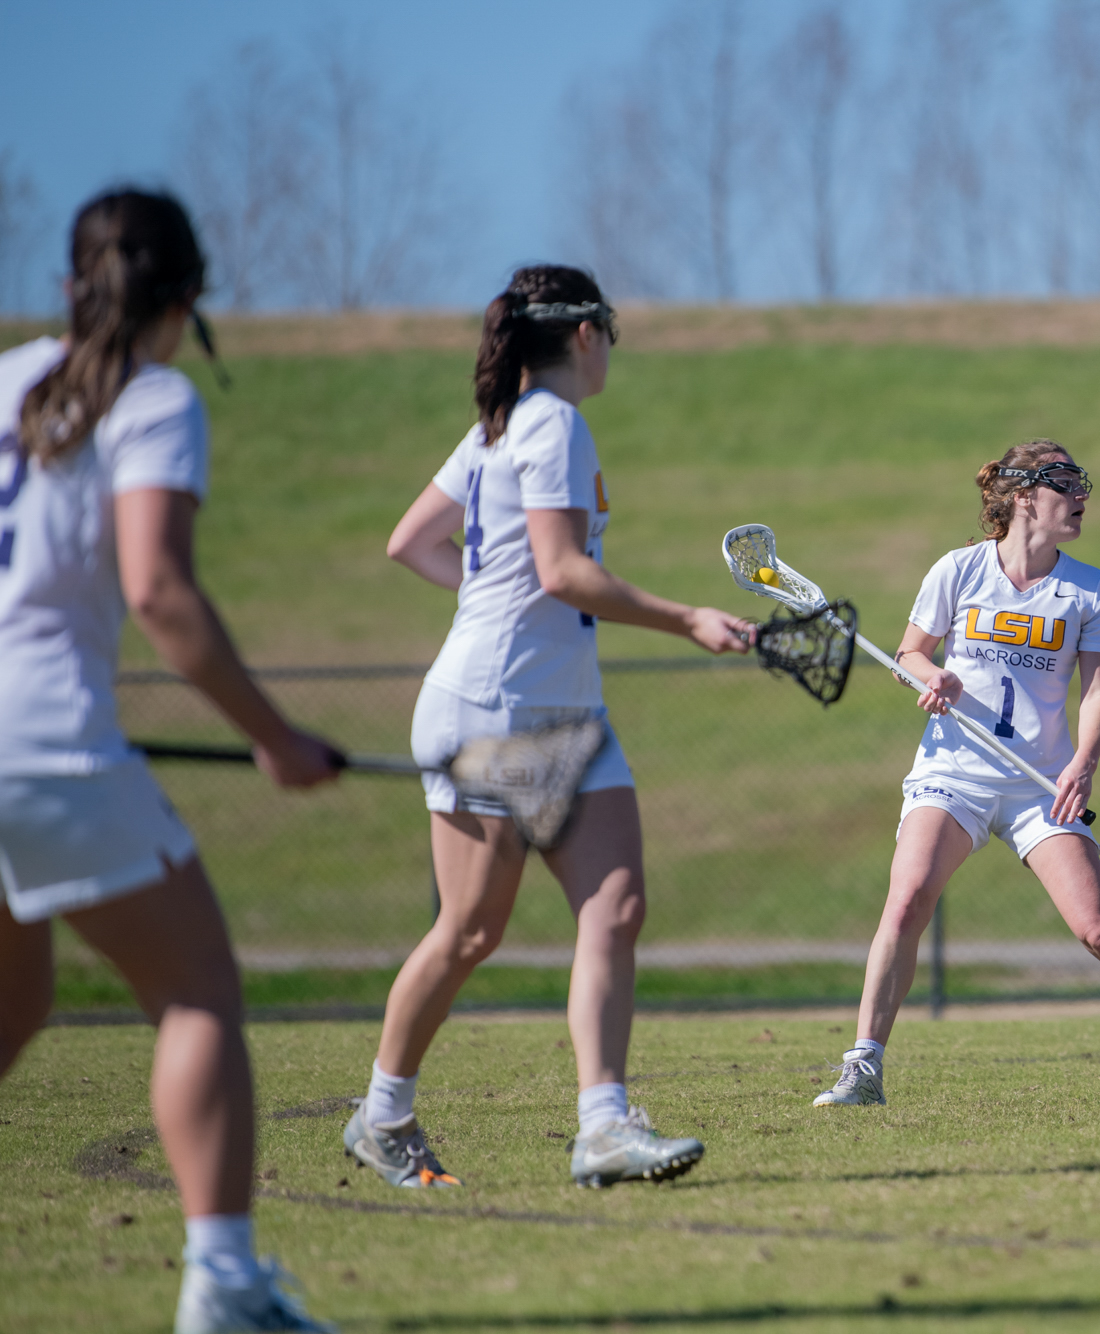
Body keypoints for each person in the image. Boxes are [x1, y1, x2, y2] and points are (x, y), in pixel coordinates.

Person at [0, 190, 342, 1332]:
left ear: (69, 284)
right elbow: (158, 589)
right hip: (45, 740)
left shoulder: (5, 378)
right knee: (196, 990)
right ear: (187, 301)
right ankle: (226, 1286)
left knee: (14, 997)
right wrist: (273, 735)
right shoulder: (154, 399)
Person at [344, 265, 754, 1191]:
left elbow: (411, 542)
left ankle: (603, 1128)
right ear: (583, 335)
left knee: (615, 907)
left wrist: (494, 595)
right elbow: (563, 572)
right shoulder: (550, 422)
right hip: (500, 709)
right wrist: (687, 618)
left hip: (566, 708)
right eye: (610, 329)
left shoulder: (500, 428)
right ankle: (383, 1114)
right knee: (468, 932)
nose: (612, 346)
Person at [813, 440, 1100, 1108]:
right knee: (906, 900)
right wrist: (931, 678)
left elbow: (1099, 693)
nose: (1082, 495)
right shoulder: (958, 571)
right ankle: (863, 1067)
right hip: (953, 773)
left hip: (1039, 785)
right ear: (1025, 498)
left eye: (1082, 483)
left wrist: (1084, 762)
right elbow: (910, 651)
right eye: (1065, 483)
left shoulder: (1088, 588)